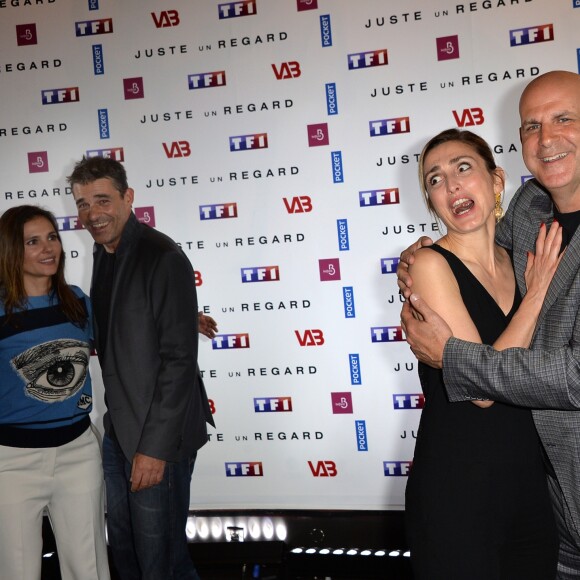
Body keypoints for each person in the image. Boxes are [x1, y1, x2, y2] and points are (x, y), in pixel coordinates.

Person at [398, 70, 580, 579]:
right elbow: (480, 394)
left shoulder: (516, 245)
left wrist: (535, 286)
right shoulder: (530, 216)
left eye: (463, 168)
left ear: (496, 181)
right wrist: (539, 291)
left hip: (532, 484)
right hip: (462, 487)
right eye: (435, 179)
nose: (452, 185)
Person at [67, 156, 215, 580]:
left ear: (128, 198)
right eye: (82, 204)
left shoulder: (161, 255)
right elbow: (120, 323)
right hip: (120, 431)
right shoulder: (105, 252)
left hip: (155, 440)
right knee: (129, 555)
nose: (92, 214)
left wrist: (154, 449)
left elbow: (179, 361)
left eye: (102, 200)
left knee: (162, 563)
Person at [0, 205, 110, 580]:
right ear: (12, 250)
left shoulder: (76, 302)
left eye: (51, 237)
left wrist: (178, 316)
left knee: (89, 568)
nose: (48, 248)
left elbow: (128, 326)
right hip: (11, 462)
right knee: (18, 571)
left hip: (78, 452)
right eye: (33, 241)